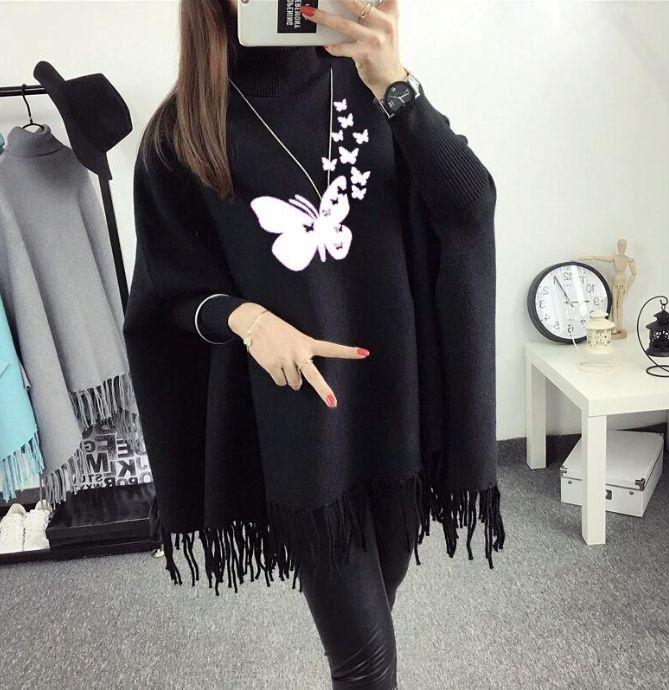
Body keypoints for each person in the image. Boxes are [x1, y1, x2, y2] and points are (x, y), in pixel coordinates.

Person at [123, 1, 504, 688]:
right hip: (304, 433)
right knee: (364, 663)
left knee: (375, 623)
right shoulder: (183, 131)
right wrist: (247, 320)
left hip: (397, 406)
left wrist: (396, 85)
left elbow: (469, 208)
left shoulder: (371, 85)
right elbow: (165, 293)